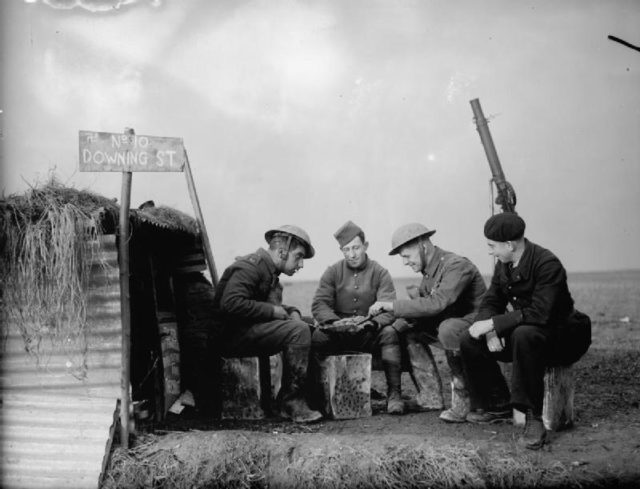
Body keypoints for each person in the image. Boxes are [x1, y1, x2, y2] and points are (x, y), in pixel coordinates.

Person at [460, 212, 591, 449]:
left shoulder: (547, 263)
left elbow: (541, 313)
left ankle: (534, 419)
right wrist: (488, 330)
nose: (490, 251)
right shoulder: (505, 264)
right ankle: (496, 404)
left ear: (509, 244)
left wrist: (494, 324)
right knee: (470, 338)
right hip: (531, 334)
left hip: (564, 336)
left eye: (492, 246)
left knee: (524, 334)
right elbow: (491, 301)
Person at [369, 223, 487, 422]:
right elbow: (421, 310)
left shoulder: (455, 265)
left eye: (407, 256)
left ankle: (465, 399)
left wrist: (391, 306)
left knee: (448, 328)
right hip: (451, 326)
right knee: (407, 329)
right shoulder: (429, 273)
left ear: (423, 246)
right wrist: (390, 328)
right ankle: (430, 397)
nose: (405, 263)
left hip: (478, 327)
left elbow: (437, 303)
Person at [211, 225, 322, 423]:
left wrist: (291, 311)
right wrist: (273, 311)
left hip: (246, 332)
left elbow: (266, 303)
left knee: (308, 325)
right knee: (298, 331)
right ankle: (291, 402)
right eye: (298, 256)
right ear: (282, 252)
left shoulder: (267, 271)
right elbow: (230, 303)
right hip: (230, 336)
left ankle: (309, 396)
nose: (301, 264)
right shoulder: (250, 267)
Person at [310, 220, 400, 413]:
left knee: (390, 333)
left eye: (356, 248)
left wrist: (370, 325)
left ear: (365, 246)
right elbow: (319, 303)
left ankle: (394, 394)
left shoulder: (380, 272)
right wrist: (336, 323)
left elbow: (389, 309)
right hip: (339, 334)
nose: (351, 254)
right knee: (318, 337)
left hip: (368, 334)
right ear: (341, 250)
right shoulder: (332, 272)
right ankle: (317, 396)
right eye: (346, 249)